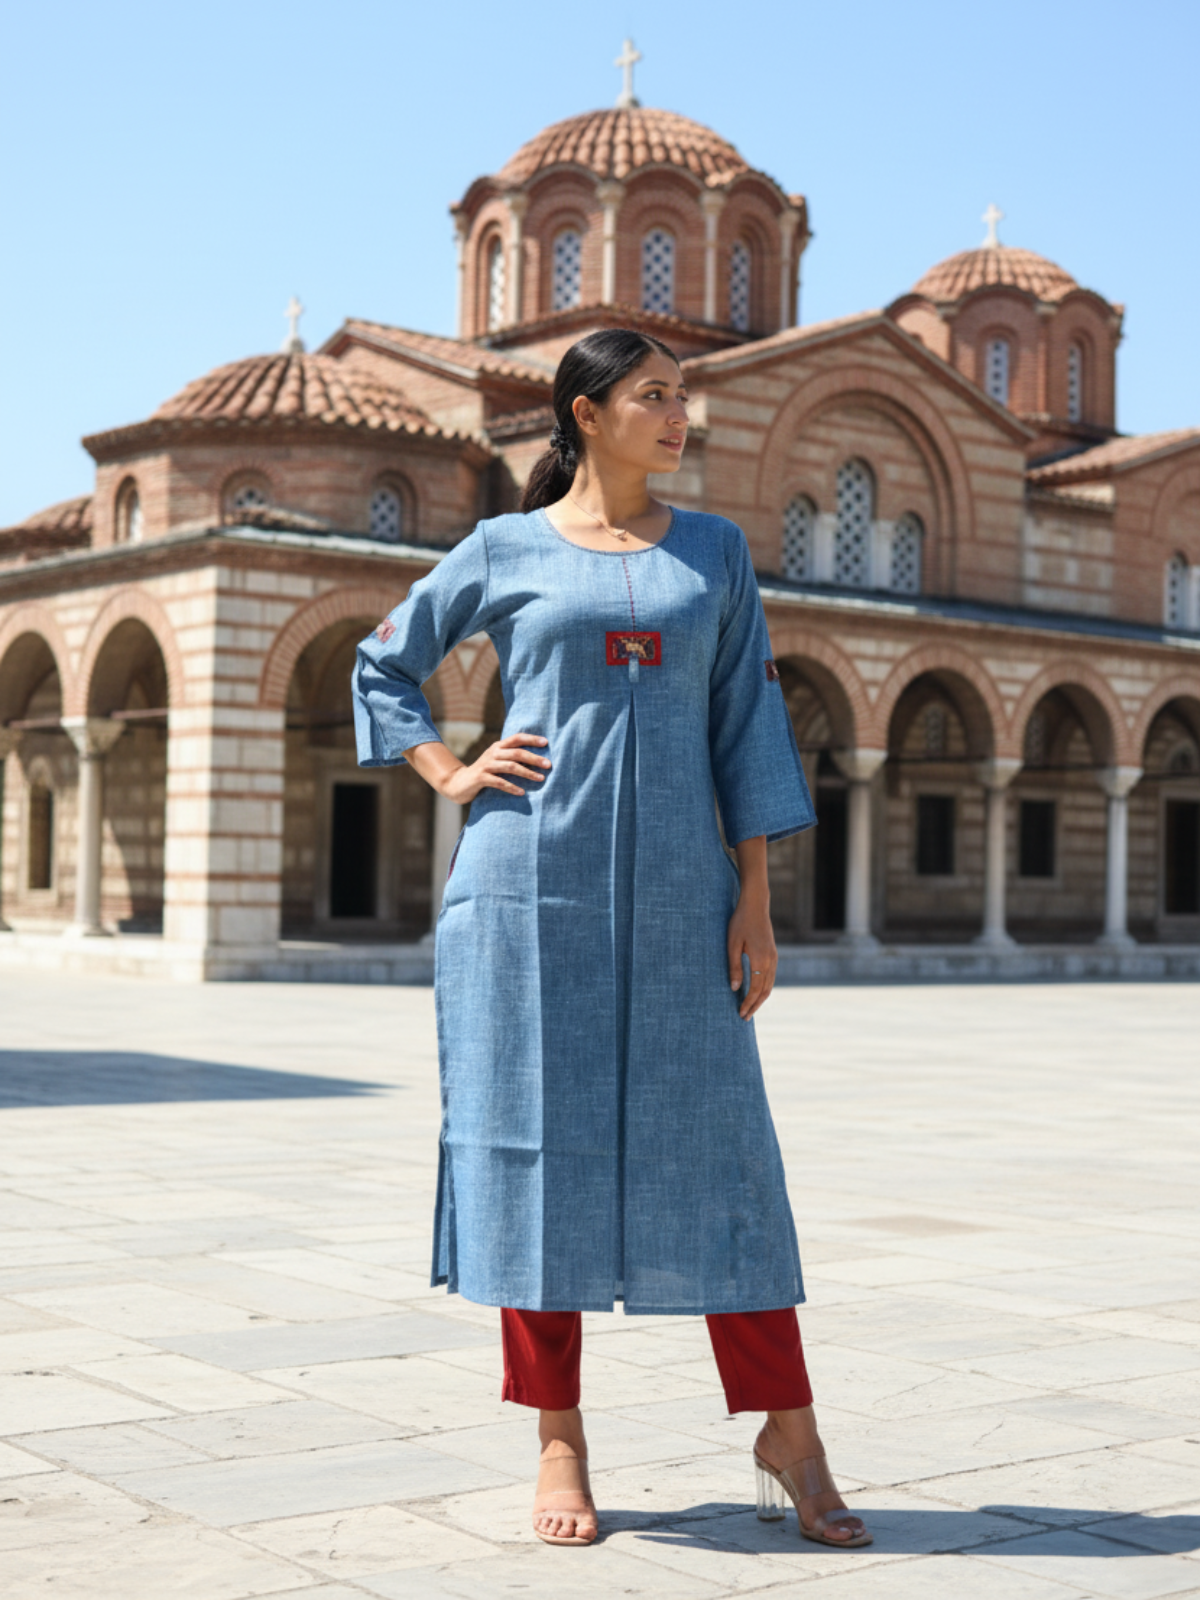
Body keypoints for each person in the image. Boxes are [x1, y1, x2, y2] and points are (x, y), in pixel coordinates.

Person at [353, 328, 870, 1551]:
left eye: (683, 396)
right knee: (539, 1158)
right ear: (586, 414)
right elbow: (384, 665)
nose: (679, 414)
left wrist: (754, 897)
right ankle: (558, 1437)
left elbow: (744, 724)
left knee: (729, 1162)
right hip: (530, 891)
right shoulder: (504, 547)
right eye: (654, 396)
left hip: (690, 898)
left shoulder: (716, 552)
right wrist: (450, 769)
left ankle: (790, 1432)